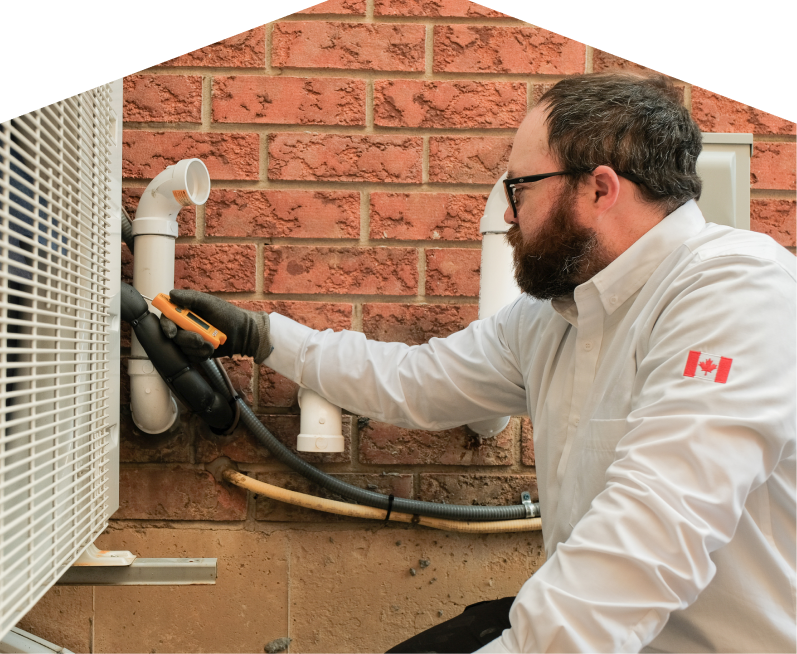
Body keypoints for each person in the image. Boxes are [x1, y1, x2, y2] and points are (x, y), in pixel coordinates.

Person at [160, 73, 797, 654]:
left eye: (520, 187)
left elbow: (651, 534)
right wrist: (264, 336)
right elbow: (413, 381)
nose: (507, 213)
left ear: (600, 188)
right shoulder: (555, 317)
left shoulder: (736, 291)